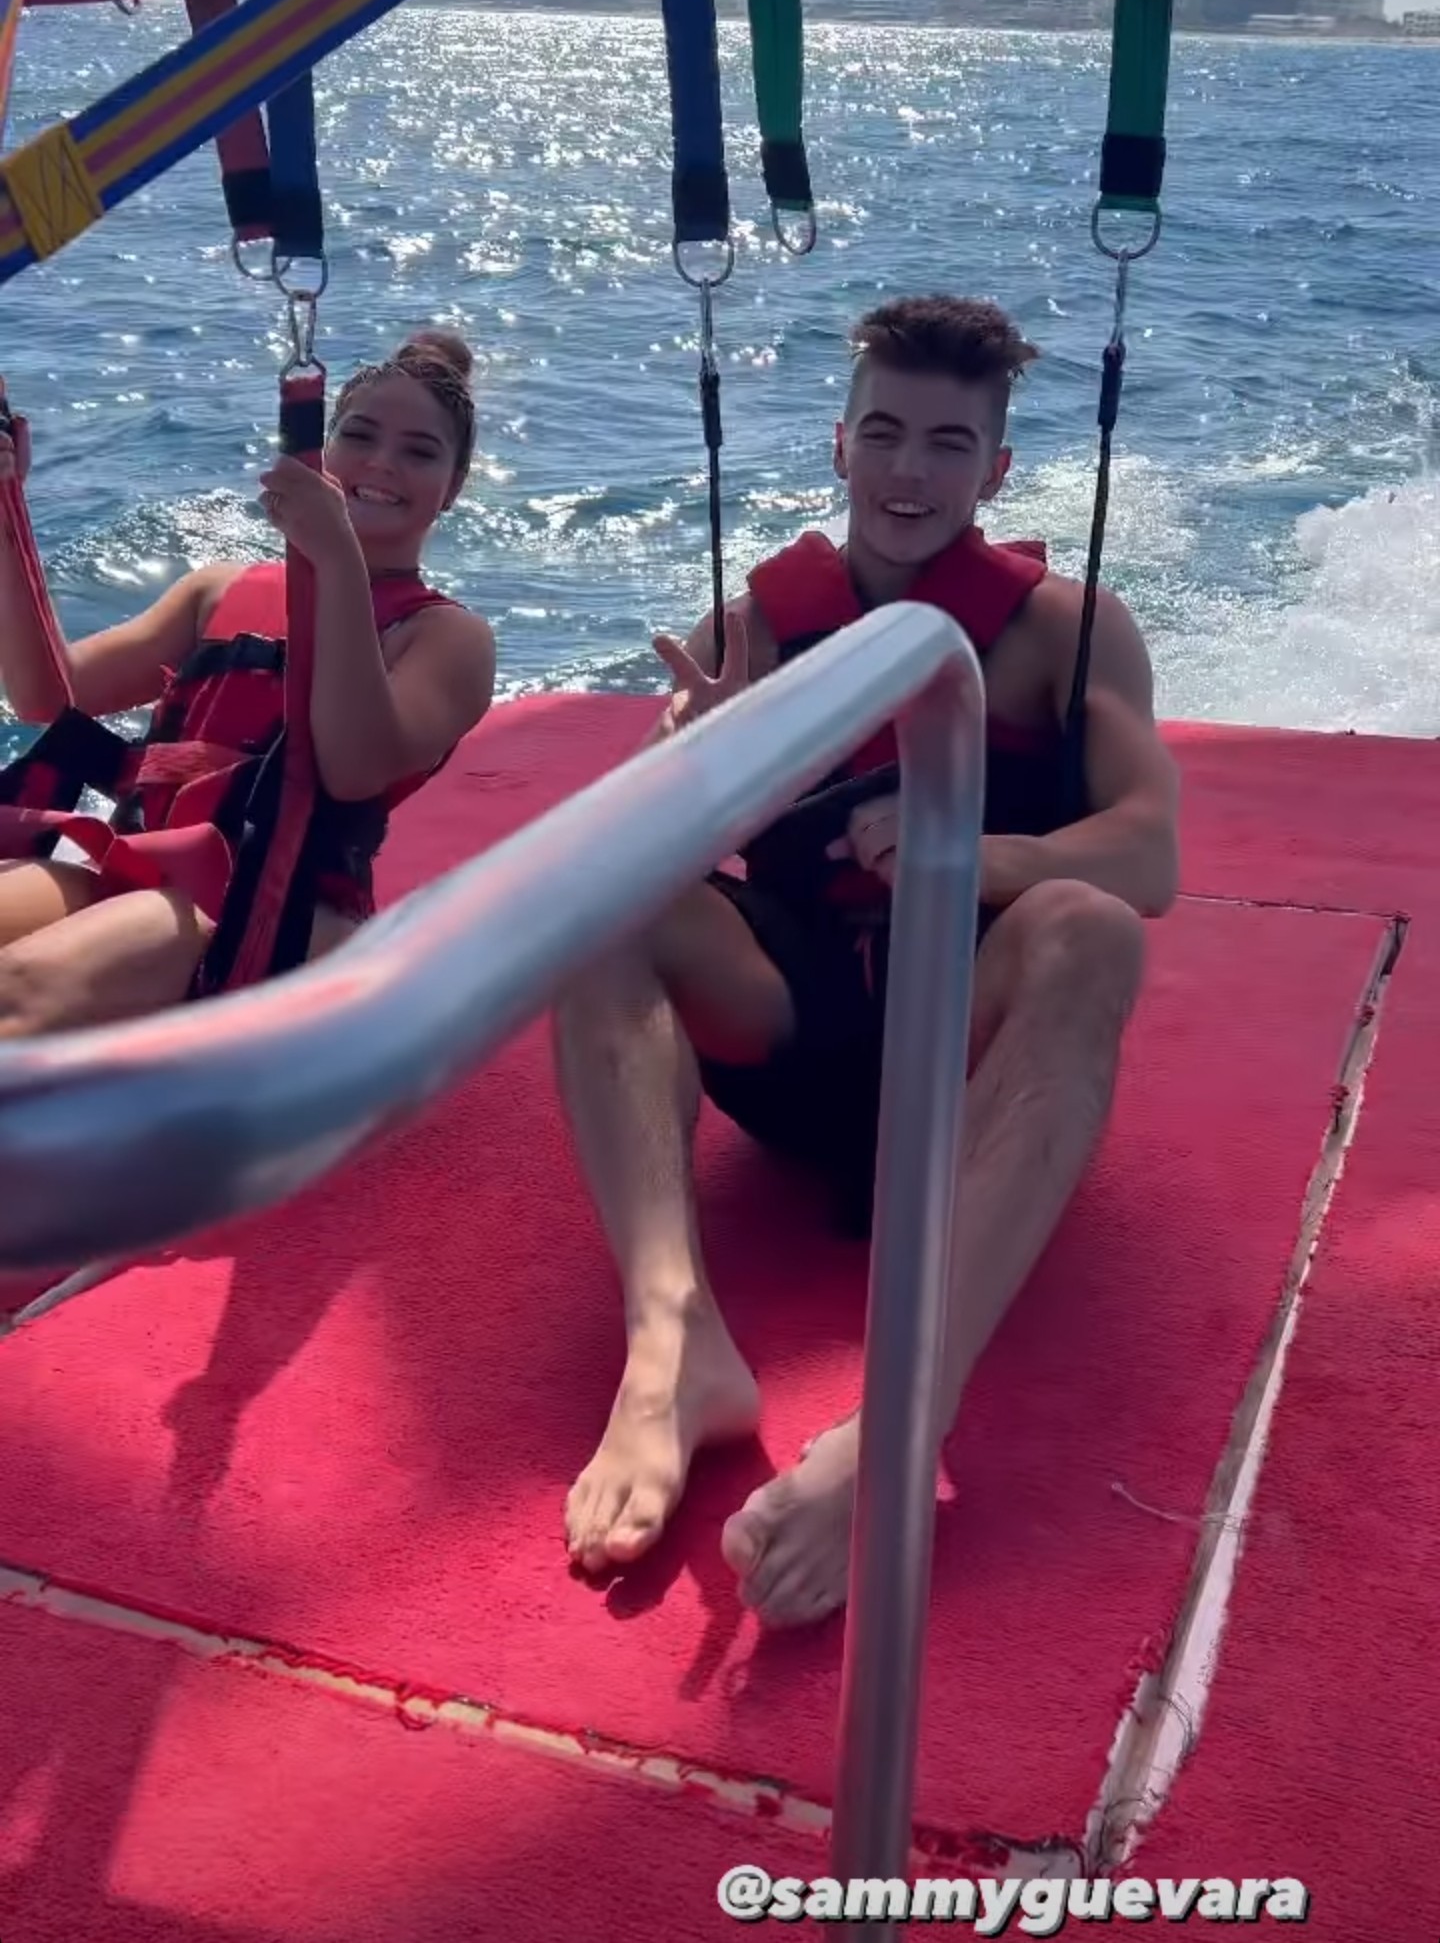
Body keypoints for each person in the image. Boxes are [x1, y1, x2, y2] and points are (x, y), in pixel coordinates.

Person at [552, 293, 1179, 1629]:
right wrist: (708, 763)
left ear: (996, 470)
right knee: (606, 893)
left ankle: (897, 1429)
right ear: (840, 446)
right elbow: (646, 841)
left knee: (1092, 926)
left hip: (966, 1062)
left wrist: (969, 852)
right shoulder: (759, 625)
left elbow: (1150, 854)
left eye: (949, 443)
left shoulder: (1069, 633)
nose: (909, 470)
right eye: (884, 433)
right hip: (798, 1036)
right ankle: (672, 1339)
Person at [0, 327, 496, 1036]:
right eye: (359, 435)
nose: (383, 463)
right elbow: (48, 696)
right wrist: (7, 508)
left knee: (14, 987)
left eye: (420, 452)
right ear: (323, 452)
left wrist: (337, 560)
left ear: (453, 487)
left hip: (281, 911)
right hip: (136, 863)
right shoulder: (218, 591)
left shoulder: (447, 637)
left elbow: (352, 767)